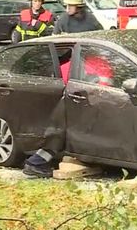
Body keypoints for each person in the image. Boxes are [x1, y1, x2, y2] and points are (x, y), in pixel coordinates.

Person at [23, 48, 114, 178]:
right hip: (82, 108)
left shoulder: (67, 66)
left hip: (68, 106)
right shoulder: (101, 66)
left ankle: (36, 162)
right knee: (58, 139)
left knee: (57, 138)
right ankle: (35, 163)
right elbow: (105, 89)